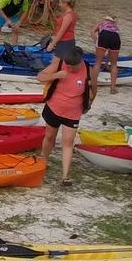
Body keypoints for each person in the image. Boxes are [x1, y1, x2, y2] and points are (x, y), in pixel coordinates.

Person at [36, 43, 95, 185]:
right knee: (49, 137)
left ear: (80, 61)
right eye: (68, 65)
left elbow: (94, 89)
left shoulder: (88, 69)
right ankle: (43, 162)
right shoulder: (60, 64)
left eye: (72, 66)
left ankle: (65, 177)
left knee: (68, 143)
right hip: (54, 108)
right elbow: (40, 77)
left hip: (73, 113)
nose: (69, 68)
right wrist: (56, 75)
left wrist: (89, 105)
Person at [92, 15, 122, 92]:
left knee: (98, 62)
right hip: (116, 38)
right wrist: (106, 60)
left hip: (104, 36)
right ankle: (113, 88)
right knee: (114, 64)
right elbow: (110, 49)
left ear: (105, 19)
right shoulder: (116, 27)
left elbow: (92, 32)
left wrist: (96, 42)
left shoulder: (101, 23)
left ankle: (93, 86)